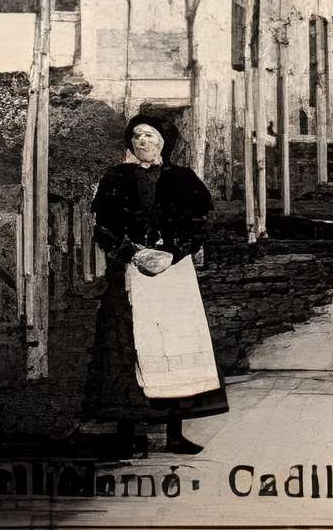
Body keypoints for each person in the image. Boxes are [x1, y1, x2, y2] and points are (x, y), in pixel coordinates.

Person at [82, 115, 228, 457]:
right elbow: (102, 227)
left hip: (174, 274)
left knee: (174, 345)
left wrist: (173, 252)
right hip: (131, 272)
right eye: (136, 136)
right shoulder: (116, 178)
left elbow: (200, 222)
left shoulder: (182, 179)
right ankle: (129, 435)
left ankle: (175, 434)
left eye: (149, 136)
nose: (142, 141)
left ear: (162, 142)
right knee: (128, 345)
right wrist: (132, 252)